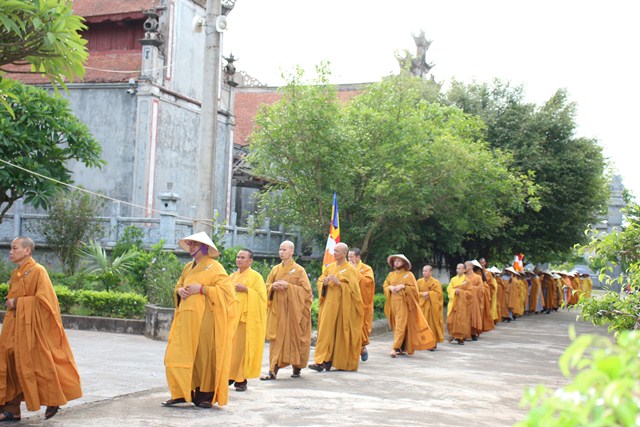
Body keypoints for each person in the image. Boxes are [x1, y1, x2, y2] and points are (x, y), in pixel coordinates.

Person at [0, 237, 82, 421]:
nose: (10, 252)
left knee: (38, 363)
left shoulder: (38, 271)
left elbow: (45, 301)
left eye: (14, 248)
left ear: (27, 251)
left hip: (31, 329)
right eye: (10, 248)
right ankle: (11, 409)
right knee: (8, 362)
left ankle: (54, 399)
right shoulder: (16, 273)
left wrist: (17, 302)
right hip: (13, 327)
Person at [162, 231, 236, 409]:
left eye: (195, 244)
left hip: (205, 320)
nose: (191, 247)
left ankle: (204, 395)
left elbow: (227, 293)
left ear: (204, 247)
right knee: (177, 355)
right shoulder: (188, 267)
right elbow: (179, 284)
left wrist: (202, 289)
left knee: (203, 357)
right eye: (190, 244)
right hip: (186, 319)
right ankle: (180, 393)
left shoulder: (215, 267)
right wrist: (179, 291)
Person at [260, 241, 312, 380]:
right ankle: (273, 370)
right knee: (276, 340)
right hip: (278, 312)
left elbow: (307, 292)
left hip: (294, 313)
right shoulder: (275, 269)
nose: (281, 252)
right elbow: (266, 286)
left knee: (297, 339)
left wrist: (289, 287)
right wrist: (273, 287)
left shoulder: (299, 270)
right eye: (280, 249)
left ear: (291, 252)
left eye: (284, 250)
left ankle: (297, 367)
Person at [309, 243, 364, 372]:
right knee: (325, 332)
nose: (334, 253)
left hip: (342, 308)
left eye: (337, 251)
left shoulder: (350, 270)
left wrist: (339, 283)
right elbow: (320, 281)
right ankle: (321, 361)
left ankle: (330, 361)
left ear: (344, 253)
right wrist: (324, 283)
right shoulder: (330, 267)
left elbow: (355, 292)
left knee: (338, 334)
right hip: (329, 306)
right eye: (334, 251)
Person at [228, 249, 267, 392]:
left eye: (243, 257)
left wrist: (246, 290)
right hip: (232, 318)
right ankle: (229, 375)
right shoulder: (232, 277)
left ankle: (241, 379)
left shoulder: (256, 277)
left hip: (246, 321)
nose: (239, 259)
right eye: (238, 257)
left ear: (250, 261)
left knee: (243, 351)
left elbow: (262, 299)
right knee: (230, 350)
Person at [383, 254, 435, 357]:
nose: (396, 262)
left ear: (404, 263)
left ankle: (395, 348)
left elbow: (414, 290)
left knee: (400, 325)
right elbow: (385, 285)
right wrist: (389, 288)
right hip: (393, 303)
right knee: (397, 325)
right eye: (395, 261)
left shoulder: (409, 275)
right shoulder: (391, 275)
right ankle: (401, 347)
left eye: (399, 261)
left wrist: (403, 287)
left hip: (404, 303)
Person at [348, 247, 375, 362]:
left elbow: (368, 284)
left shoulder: (366, 269)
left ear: (358, 257)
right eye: (348, 257)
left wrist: (355, 271)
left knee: (360, 329)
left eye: (351, 257)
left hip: (363, 304)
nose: (349, 259)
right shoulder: (346, 267)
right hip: (349, 303)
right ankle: (351, 353)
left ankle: (362, 348)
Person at [416, 265, 444, 345]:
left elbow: (439, 294)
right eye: (423, 271)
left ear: (430, 272)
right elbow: (415, 292)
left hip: (432, 308)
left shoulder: (436, 282)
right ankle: (423, 342)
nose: (424, 272)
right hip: (422, 306)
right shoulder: (419, 281)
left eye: (426, 271)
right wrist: (422, 294)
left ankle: (432, 343)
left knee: (432, 325)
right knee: (422, 324)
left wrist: (429, 294)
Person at [446, 263, 472, 344]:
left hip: (462, 305)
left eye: (460, 268)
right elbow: (449, 290)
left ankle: (460, 337)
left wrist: (461, 292)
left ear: (464, 270)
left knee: (460, 321)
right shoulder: (453, 279)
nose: (457, 270)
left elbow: (470, 293)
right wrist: (454, 291)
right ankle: (452, 334)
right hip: (453, 303)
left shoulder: (467, 281)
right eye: (457, 268)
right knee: (450, 320)